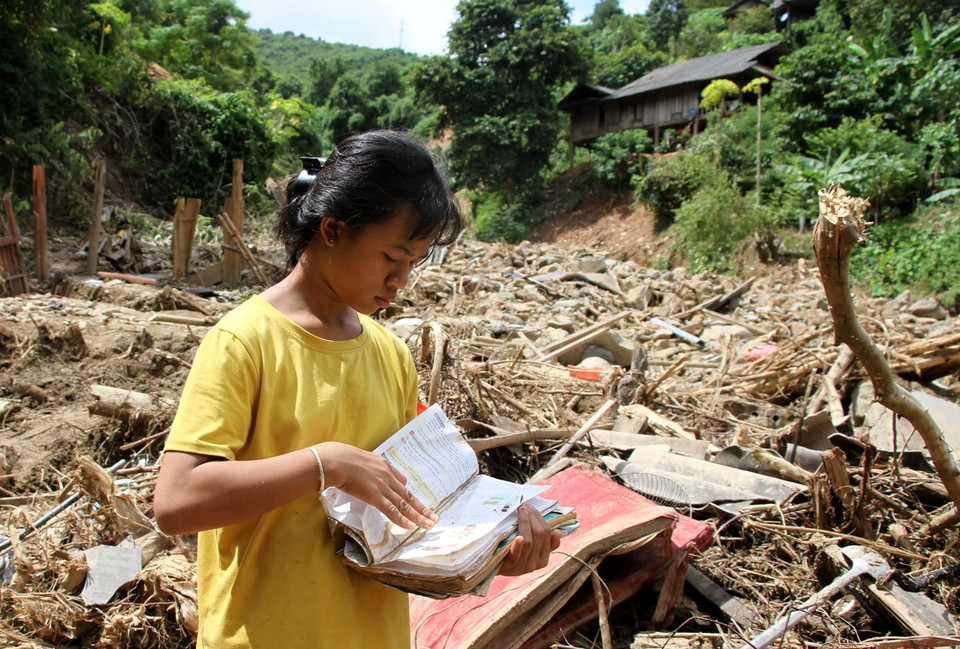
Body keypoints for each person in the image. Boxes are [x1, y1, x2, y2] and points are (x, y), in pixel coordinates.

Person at [153, 130, 562, 649]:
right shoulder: (245, 342)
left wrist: (491, 553)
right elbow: (175, 502)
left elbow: (413, 517)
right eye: (391, 258)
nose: (401, 281)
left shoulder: (389, 355)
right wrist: (326, 463)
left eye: (412, 264)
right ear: (332, 230)